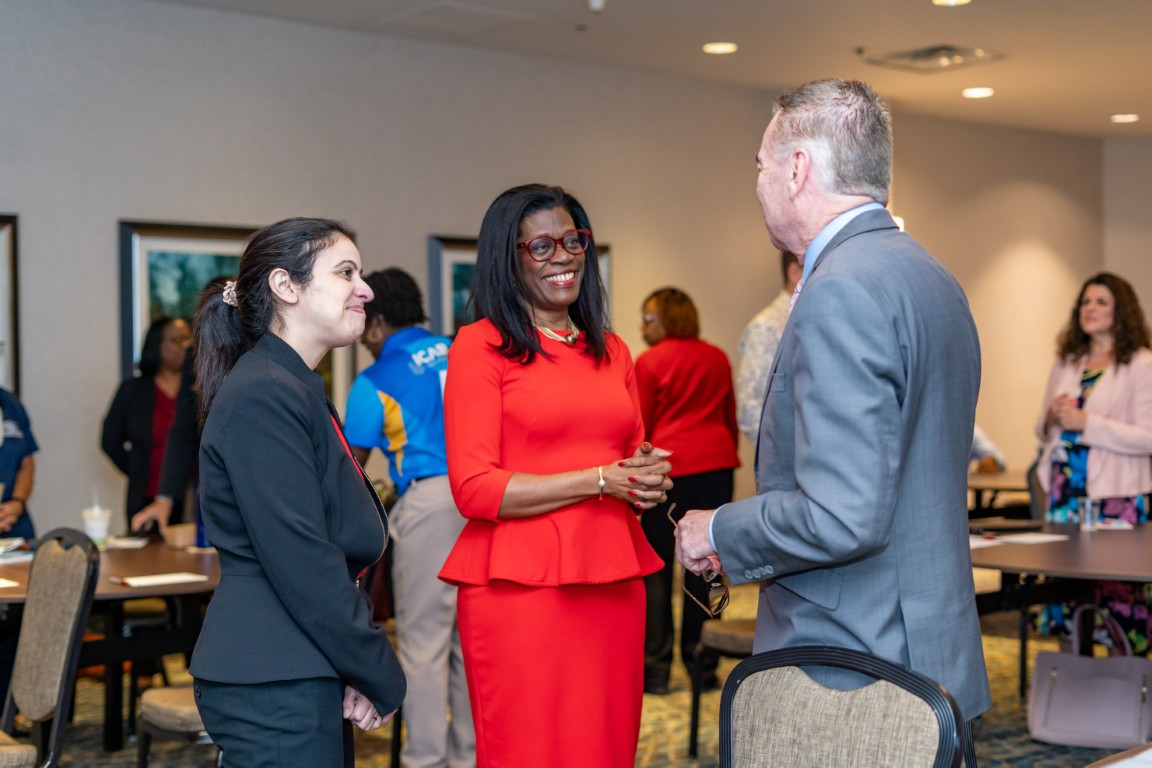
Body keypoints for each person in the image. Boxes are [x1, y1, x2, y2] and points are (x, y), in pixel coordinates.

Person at [673, 79, 992, 748]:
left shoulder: (838, 289)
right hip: (931, 650)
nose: (758, 184)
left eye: (760, 166)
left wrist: (718, 529)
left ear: (797, 169)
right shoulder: (932, 276)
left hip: (851, 665)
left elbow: (842, 515)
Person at [438, 184, 671, 768]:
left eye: (572, 241)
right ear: (508, 257)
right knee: (530, 749)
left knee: (607, 747)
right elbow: (474, 488)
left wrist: (645, 480)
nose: (562, 257)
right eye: (540, 246)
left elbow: (628, 459)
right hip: (521, 592)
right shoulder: (480, 346)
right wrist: (599, 480)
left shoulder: (613, 351)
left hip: (613, 581)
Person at [188, 218, 406, 767]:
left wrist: (350, 664)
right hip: (274, 675)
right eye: (346, 272)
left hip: (296, 662)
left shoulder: (292, 385)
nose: (365, 289)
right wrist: (376, 666)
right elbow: (303, 559)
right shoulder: (266, 391)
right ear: (286, 286)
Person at [344, 268, 474, 768]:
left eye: (365, 325)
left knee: (423, 646)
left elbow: (351, 466)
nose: (363, 338)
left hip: (430, 506)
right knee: (468, 642)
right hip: (487, 500)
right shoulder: (462, 349)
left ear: (378, 323)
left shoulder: (375, 379)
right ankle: (468, 758)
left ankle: (424, 759)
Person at [1035, 271, 1152, 651]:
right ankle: (1072, 677)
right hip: (1065, 491)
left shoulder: (1141, 363)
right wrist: (1052, 417)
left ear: (1122, 311)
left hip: (1115, 495)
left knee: (1117, 597)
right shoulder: (1067, 362)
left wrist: (1088, 423)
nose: (1090, 308)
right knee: (1066, 592)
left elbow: (1148, 436)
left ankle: (1126, 679)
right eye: (1085, 301)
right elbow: (1042, 430)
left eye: (1101, 301)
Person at [634, 287, 739, 694]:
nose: (643, 326)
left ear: (669, 318)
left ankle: (655, 671)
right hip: (716, 467)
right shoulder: (717, 357)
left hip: (669, 472)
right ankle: (703, 665)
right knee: (708, 566)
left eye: (649, 318)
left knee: (657, 570)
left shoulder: (649, 362)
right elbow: (728, 418)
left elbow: (641, 427)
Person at [101, 316, 190, 530]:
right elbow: (110, 441)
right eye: (177, 339)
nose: (185, 346)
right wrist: (137, 468)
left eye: (188, 338)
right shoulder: (133, 389)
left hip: (190, 495)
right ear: (157, 343)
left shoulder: (197, 388)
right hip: (146, 494)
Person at [736, 251, 801, 443]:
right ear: (795, 272)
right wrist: (786, 453)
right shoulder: (766, 327)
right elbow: (750, 410)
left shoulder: (811, 319)